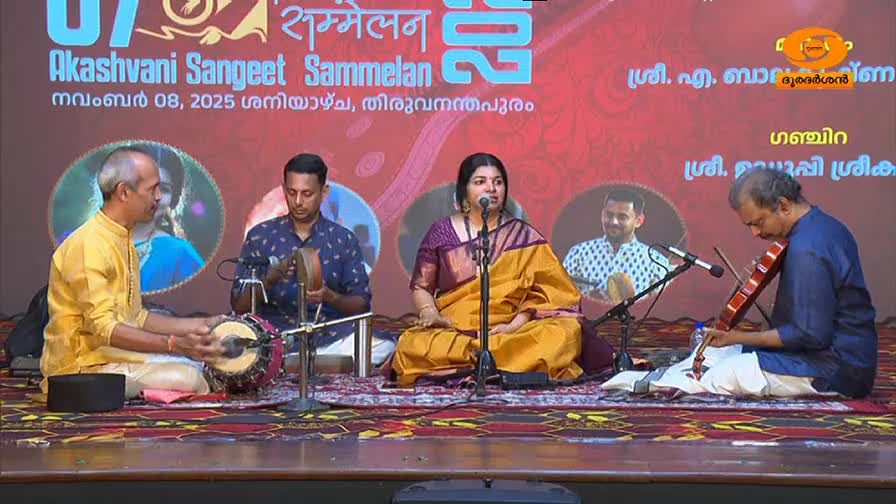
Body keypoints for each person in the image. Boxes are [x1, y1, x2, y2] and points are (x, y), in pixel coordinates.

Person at [603, 168, 878, 398]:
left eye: (758, 222)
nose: (756, 233)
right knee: (716, 353)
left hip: (835, 370)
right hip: (825, 356)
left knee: (731, 370)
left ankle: (655, 383)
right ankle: (670, 377)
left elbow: (809, 335)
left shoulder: (807, 248)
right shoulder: (823, 226)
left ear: (783, 205)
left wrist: (737, 337)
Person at [388, 153, 589, 386]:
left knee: (563, 333)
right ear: (464, 190)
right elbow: (422, 287)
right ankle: (509, 365)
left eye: (498, 182)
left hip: (511, 330)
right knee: (412, 344)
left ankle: (475, 365)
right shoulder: (441, 231)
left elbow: (551, 296)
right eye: (480, 181)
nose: (491, 188)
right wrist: (430, 313)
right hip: (453, 329)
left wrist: (513, 326)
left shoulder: (524, 235)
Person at [40, 147, 226, 399]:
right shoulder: (89, 245)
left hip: (109, 356)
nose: (159, 197)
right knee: (191, 377)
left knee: (199, 365)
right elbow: (104, 328)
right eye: (153, 189)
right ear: (124, 192)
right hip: (81, 367)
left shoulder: (121, 238)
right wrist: (174, 345)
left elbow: (135, 317)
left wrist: (202, 324)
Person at [230, 153, 395, 364]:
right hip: (273, 335)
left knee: (384, 346)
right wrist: (269, 280)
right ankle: (305, 362)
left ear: (323, 192)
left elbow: (361, 306)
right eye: (292, 193)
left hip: (329, 335)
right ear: (284, 189)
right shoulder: (260, 235)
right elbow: (238, 305)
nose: (298, 202)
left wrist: (330, 297)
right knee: (230, 340)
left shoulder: (343, 239)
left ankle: (292, 363)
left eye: (307, 194)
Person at [562, 189, 671, 302]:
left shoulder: (656, 264)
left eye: (622, 217)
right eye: (609, 215)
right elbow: (559, 293)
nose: (614, 222)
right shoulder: (579, 254)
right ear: (602, 214)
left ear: (638, 221)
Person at [129, 143, 204, 292]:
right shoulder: (81, 242)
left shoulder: (180, 253)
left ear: (173, 200)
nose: (153, 196)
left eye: (163, 189)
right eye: (142, 184)